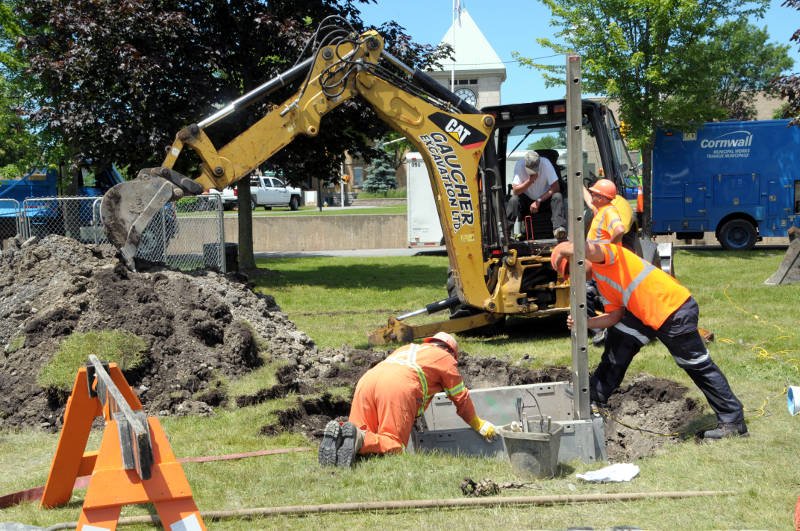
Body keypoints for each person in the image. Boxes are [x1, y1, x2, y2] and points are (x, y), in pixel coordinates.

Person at [551, 241, 747, 439]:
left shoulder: (610, 256)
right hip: (645, 315)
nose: (573, 275)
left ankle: (733, 422)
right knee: (619, 341)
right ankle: (595, 394)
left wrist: (561, 250)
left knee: (698, 366)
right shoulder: (602, 282)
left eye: (571, 268)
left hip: (673, 310)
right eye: (568, 273)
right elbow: (614, 316)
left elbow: (585, 248)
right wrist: (586, 322)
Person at [318, 332, 497, 467]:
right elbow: (460, 397)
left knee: (358, 429)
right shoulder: (445, 358)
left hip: (368, 380)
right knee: (393, 444)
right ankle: (359, 438)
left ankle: (340, 436)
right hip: (397, 385)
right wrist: (478, 424)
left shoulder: (408, 349)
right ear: (451, 351)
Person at [506, 151, 567, 240]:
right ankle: (506, 231)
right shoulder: (519, 164)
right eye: (530, 169)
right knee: (514, 200)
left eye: (534, 168)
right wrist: (530, 180)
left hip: (544, 199)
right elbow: (515, 191)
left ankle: (558, 229)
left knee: (557, 196)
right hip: (527, 201)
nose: (532, 171)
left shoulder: (546, 163)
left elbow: (556, 188)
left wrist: (538, 200)